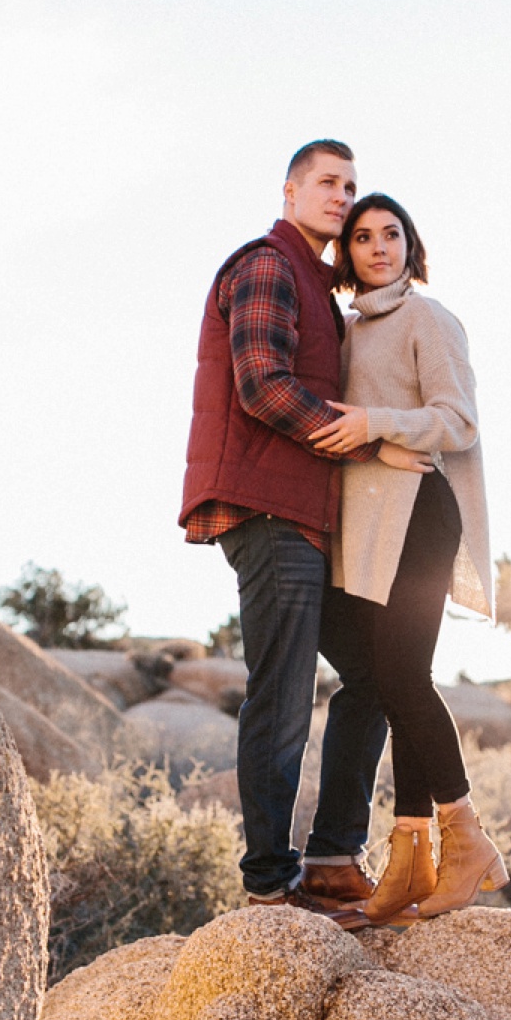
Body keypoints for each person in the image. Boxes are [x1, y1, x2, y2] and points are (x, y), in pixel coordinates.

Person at [179, 141, 432, 912]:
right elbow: (261, 385)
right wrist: (370, 434)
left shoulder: (321, 292)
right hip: (265, 510)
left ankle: (328, 857)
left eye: (349, 184)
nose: (340, 194)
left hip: (311, 521)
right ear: (290, 191)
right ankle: (269, 883)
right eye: (327, 181)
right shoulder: (266, 264)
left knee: (379, 677)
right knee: (283, 696)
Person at [311, 191, 508, 924]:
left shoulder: (428, 317)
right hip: (364, 529)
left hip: (421, 520)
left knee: (400, 676)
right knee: (392, 683)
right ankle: (411, 854)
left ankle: (467, 840)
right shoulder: (347, 332)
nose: (379, 247)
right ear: (348, 252)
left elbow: (458, 421)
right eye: (363, 237)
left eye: (391, 234)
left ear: (410, 244)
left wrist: (377, 423)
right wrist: (370, 437)